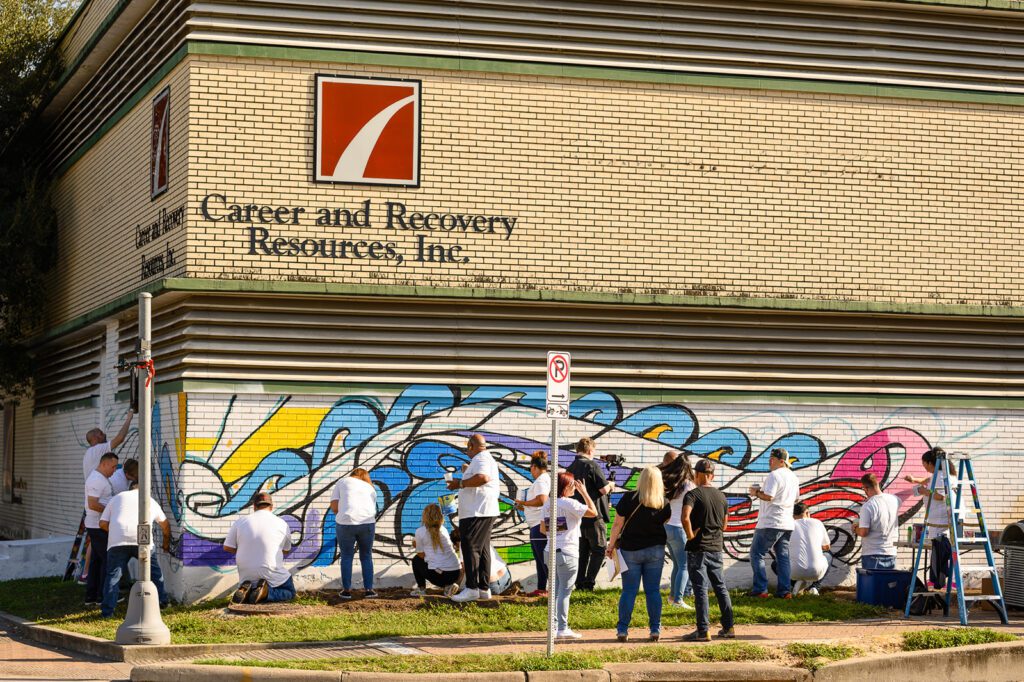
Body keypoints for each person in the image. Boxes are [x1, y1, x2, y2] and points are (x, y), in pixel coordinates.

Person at [607, 466, 671, 642]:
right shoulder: (664, 503)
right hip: (656, 550)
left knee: (629, 591)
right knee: (653, 591)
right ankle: (655, 629)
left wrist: (611, 546)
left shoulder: (628, 499)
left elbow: (617, 525)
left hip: (630, 550)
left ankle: (622, 630)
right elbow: (664, 522)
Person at [681, 459, 735, 641]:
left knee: (700, 589)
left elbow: (685, 517)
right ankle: (729, 627)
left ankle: (703, 630)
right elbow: (725, 525)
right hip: (716, 547)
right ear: (712, 476)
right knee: (720, 587)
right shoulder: (721, 496)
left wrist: (690, 535)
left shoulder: (692, 495)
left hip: (698, 548)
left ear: (697, 475)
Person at [98, 483, 170, 617]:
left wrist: (116, 532)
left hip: (118, 541)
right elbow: (165, 525)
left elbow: (102, 523)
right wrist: (166, 544)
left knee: (113, 576)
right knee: (154, 573)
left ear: (130, 488)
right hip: (142, 540)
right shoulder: (149, 500)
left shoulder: (116, 498)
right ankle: (162, 602)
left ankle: (107, 612)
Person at [541, 472, 597, 639]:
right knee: (565, 592)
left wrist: (560, 529)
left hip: (549, 550)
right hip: (567, 551)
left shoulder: (548, 503)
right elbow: (593, 512)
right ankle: (562, 628)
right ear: (566, 487)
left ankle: (554, 626)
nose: (575, 487)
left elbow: (543, 529)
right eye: (573, 484)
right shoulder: (569, 503)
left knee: (555, 591)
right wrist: (585, 492)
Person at [446, 434, 500, 602]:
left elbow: (483, 478)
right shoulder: (484, 458)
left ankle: (472, 588)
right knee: (483, 549)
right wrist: (467, 472)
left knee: (470, 548)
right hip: (483, 510)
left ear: (471, 445)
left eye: (466, 446)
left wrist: (460, 483)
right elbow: (480, 476)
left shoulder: (481, 458)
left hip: (476, 512)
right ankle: (484, 589)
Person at [223, 492, 295, 604]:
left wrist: (245, 548)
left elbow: (227, 547)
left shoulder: (240, 522)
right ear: (271, 507)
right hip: (271, 574)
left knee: (252, 582)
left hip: (246, 575)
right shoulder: (282, 523)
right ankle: (266, 593)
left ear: (254, 507)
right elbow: (286, 551)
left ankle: (247, 590)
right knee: (290, 592)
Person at [747, 447, 800, 598]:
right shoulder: (793, 477)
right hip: (787, 523)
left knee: (757, 554)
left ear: (781, 461)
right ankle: (785, 591)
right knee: (783, 557)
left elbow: (769, 497)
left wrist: (756, 492)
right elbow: (796, 499)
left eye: (773, 459)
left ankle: (760, 590)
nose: (770, 461)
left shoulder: (774, 475)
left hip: (770, 522)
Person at [567, 437, 613, 590]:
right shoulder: (592, 465)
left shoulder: (571, 467)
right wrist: (611, 485)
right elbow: (603, 489)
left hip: (578, 516)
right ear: (590, 450)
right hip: (594, 516)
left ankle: (579, 582)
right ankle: (589, 582)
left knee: (583, 552)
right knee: (599, 549)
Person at [904, 447, 953, 588]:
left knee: (939, 555)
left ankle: (939, 581)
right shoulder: (942, 474)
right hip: (941, 522)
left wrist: (924, 491)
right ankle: (940, 580)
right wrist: (914, 480)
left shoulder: (939, 477)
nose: (923, 467)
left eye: (924, 464)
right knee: (941, 554)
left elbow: (941, 496)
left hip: (939, 523)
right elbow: (927, 480)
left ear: (931, 463)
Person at [330, 468, 379, 599]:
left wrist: (345, 514)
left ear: (352, 475)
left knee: (346, 556)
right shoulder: (371, 488)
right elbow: (372, 508)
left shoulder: (342, 482)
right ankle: (369, 590)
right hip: (367, 524)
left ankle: (346, 591)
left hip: (346, 524)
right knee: (366, 556)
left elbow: (334, 507)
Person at [660, 452, 696, 609]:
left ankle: (672, 596)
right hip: (679, 528)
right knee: (684, 565)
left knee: (677, 564)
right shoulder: (689, 485)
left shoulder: (668, 482)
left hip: (667, 527)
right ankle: (678, 600)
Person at [513, 451, 550, 597]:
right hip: (535, 524)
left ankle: (548, 589)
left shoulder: (541, 480)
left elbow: (542, 500)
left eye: (530, 469)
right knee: (540, 560)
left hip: (538, 525)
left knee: (543, 560)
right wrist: (525, 506)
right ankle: (541, 588)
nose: (531, 472)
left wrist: (522, 502)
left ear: (534, 467)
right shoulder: (543, 479)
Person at [83, 452, 118, 606]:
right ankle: (102, 596)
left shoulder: (100, 478)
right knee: (106, 559)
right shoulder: (96, 479)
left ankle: (92, 596)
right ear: (104, 464)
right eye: (113, 466)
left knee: (97, 561)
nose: (114, 470)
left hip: (97, 525)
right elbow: (92, 504)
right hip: (98, 526)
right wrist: (111, 512)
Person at [410, 503, 462, 597]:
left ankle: (421, 589)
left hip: (438, 577)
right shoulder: (444, 529)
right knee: (439, 563)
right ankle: (448, 587)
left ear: (425, 516)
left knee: (416, 560)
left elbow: (421, 555)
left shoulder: (420, 531)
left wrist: (416, 545)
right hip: (455, 573)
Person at [853, 473, 899, 569]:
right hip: (891, 552)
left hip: (872, 554)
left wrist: (855, 528)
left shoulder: (868, 506)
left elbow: (864, 532)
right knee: (888, 583)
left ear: (865, 488)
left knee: (873, 583)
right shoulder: (895, 499)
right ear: (877, 484)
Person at [785, 502, 831, 595]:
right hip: (816, 572)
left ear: (792, 514)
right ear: (807, 512)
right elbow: (827, 547)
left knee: (776, 563)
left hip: (793, 572)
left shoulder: (788, 525)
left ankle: (794, 584)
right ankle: (815, 587)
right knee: (828, 555)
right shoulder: (817, 522)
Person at [82, 412, 134, 480]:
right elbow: (120, 438)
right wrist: (129, 419)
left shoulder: (89, 453)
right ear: (94, 438)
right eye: (101, 434)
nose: (105, 435)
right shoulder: (97, 449)